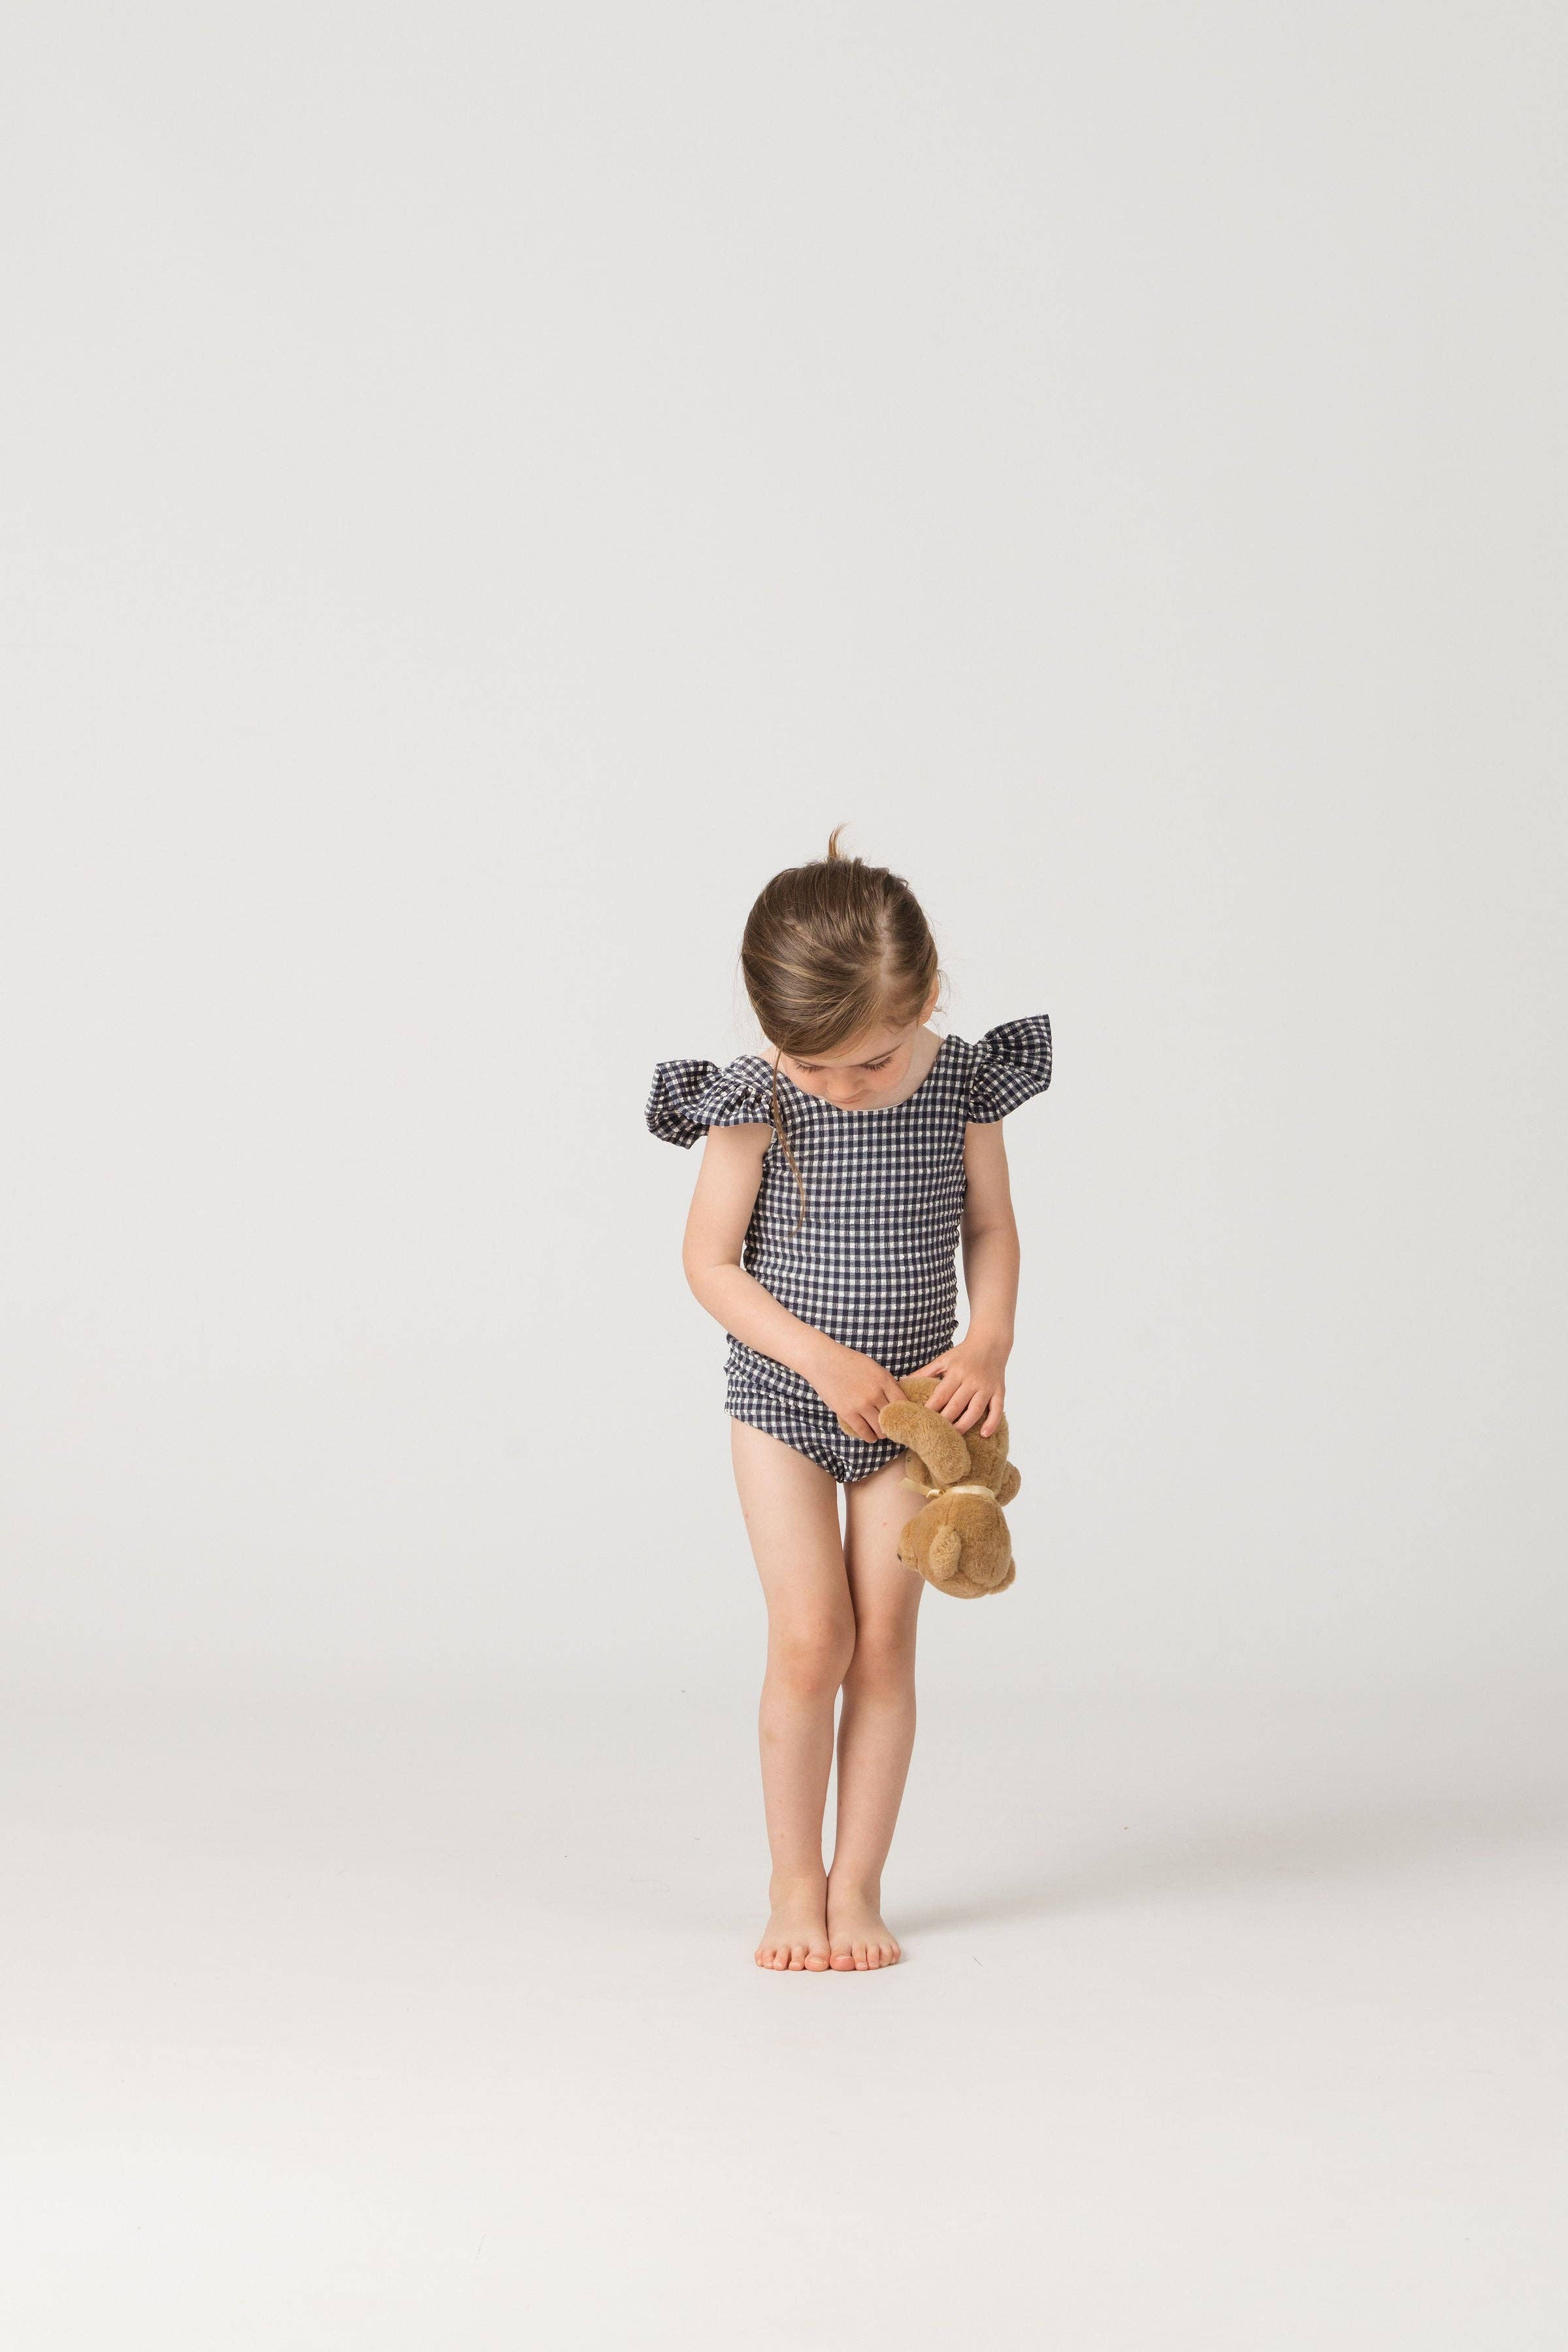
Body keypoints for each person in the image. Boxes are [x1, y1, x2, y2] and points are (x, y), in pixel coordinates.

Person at [644, 828, 1053, 1972]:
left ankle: (857, 1885)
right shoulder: (756, 1096)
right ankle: (792, 1882)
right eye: (811, 1065)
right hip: (784, 1403)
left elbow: (991, 1228)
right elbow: (710, 1263)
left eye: (867, 1063)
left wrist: (989, 1344)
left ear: (925, 998)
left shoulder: (963, 1082)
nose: (838, 1088)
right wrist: (819, 1361)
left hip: (913, 1412)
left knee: (885, 1649)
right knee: (811, 1638)